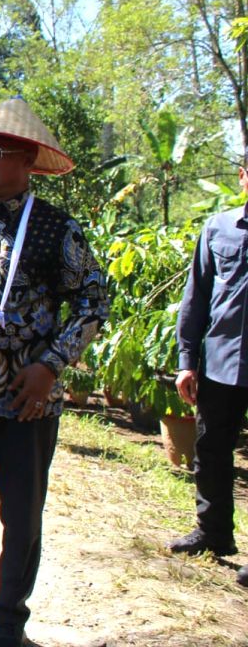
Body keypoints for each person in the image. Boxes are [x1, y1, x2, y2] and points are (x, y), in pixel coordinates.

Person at [0, 99, 109, 646]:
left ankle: (9, 618)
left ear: (27, 159)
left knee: (21, 512)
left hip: (26, 399)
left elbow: (93, 300)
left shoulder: (56, 229)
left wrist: (50, 367)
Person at [167, 162, 248, 587]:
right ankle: (213, 532)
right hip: (221, 362)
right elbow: (195, 296)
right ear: (242, 176)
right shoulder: (219, 229)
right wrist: (186, 361)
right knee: (211, 450)